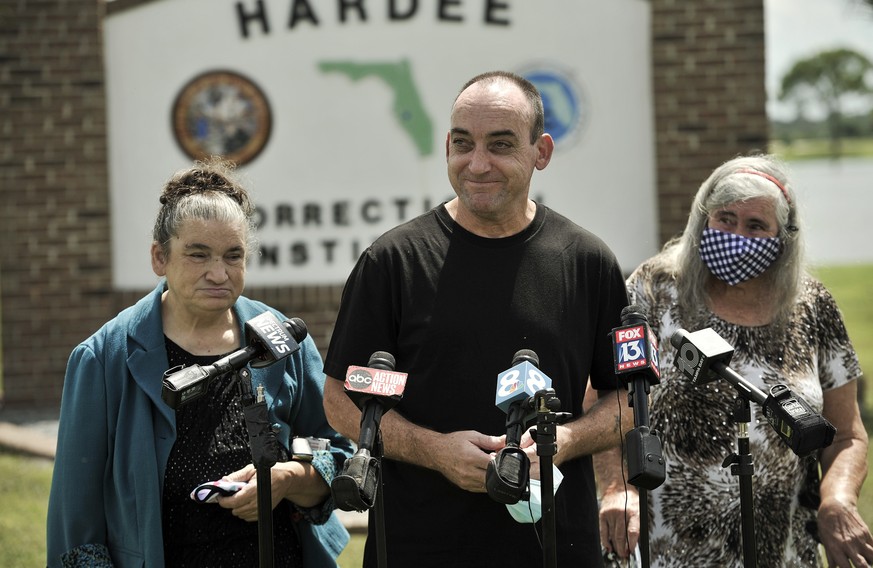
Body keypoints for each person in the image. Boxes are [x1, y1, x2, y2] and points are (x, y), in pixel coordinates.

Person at [322, 70, 634, 567]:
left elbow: (629, 401)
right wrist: (435, 452)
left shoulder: (587, 261)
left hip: (557, 545)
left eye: (501, 144)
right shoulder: (393, 262)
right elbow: (340, 400)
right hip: (420, 546)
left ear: (542, 152)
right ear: (446, 145)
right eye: (463, 144)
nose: (478, 163)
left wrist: (563, 441)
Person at [46, 159, 354, 567]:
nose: (218, 273)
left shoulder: (283, 339)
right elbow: (76, 524)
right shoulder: (104, 359)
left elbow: (336, 451)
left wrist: (287, 480)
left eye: (233, 255)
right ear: (160, 258)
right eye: (198, 254)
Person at [622, 153, 873, 567]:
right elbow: (609, 403)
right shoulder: (652, 290)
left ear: (783, 238)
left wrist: (838, 499)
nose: (737, 235)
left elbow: (846, 435)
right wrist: (617, 487)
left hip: (784, 548)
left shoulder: (812, 306)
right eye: (725, 219)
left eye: (756, 226)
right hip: (668, 547)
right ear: (703, 219)